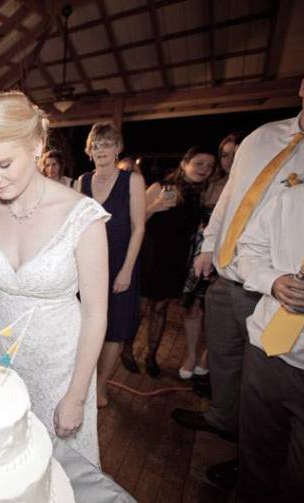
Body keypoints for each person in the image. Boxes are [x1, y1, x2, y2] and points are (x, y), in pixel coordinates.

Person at [171, 68, 304, 491]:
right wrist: (208, 247)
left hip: (274, 293)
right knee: (225, 360)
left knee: (268, 387)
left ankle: (250, 462)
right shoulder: (262, 137)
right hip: (228, 271)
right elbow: (231, 197)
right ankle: (222, 418)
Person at [0, 91, 109, 466]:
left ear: (37, 145)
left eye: (4, 164)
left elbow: (95, 314)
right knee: (12, 462)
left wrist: (76, 396)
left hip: (64, 365)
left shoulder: (83, 216)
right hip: (4, 361)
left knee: (64, 469)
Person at [234, 181, 304, 502]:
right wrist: (273, 281)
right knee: (255, 455)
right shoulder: (292, 199)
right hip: (266, 350)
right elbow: (249, 251)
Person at [128, 146, 215, 378]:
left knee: (161, 309)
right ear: (184, 163)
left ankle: (151, 356)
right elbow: (135, 221)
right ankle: (127, 350)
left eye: (209, 166)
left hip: (176, 259)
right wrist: (155, 206)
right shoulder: (160, 186)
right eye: (199, 163)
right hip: (150, 256)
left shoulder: (201, 194)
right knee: (140, 309)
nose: (204, 169)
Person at [77, 122, 145, 406]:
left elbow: (139, 228)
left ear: (118, 148)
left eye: (107, 144)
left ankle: (101, 386)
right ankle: (83, 381)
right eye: (96, 145)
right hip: (88, 265)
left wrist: (126, 270)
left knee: (114, 330)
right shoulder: (81, 181)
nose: (101, 150)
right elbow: (76, 228)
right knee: (85, 326)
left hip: (120, 263)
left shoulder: (132, 181)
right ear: (89, 151)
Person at [178, 133, 244, 380]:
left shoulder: (250, 184)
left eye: (236, 154)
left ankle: (206, 356)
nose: (229, 160)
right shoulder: (209, 184)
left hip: (229, 255)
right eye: (225, 155)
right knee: (193, 307)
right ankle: (191, 355)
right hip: (199, 253)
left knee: (216, 310)